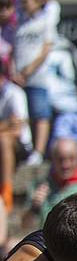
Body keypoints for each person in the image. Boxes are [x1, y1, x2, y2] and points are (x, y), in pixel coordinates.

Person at [13, 0, 56, 166]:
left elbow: (46, 49)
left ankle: (39, 151)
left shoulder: (45, 20)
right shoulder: (20, 22)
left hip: (37, 76)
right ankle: (27, 149)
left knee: (40, 114)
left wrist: (28, 71)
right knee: (25, 115)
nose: (23, 2)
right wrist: (16, 72)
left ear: (39, 0)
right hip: (19, 78)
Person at [24, 138, 77, 229]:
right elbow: (25, 226)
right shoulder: (39, 185)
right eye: (61, 159)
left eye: (71, 159)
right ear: (53, 159)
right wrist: (34, 207)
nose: (66, 165)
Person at [0, 64, 30, 211]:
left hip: (20, 146)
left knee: (4, 139)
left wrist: (6, 126)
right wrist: (6, 124)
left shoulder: (14, 93)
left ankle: (7, 192)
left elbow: (17, 128)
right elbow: (10, 124)